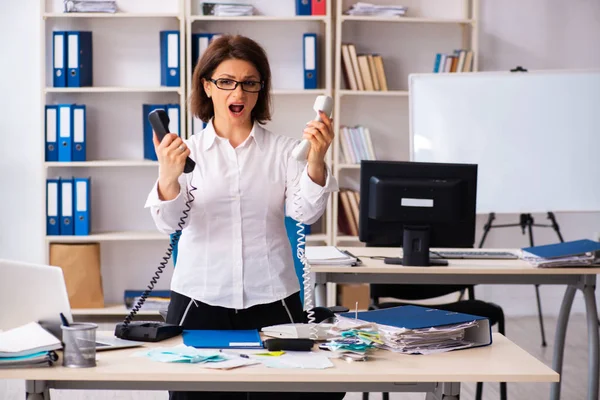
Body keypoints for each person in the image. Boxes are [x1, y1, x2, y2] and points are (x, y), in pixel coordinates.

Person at [145, 34, 343, 400]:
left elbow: (305, 212)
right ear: (206, 86)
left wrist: (316, 161)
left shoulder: (285, 151)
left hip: (273, 301)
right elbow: (169, 224)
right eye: (226, 82)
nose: (238, 93)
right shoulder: (184, 152)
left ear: (260, 89)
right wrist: (168, 177)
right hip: (199, 302)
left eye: (250, 83)